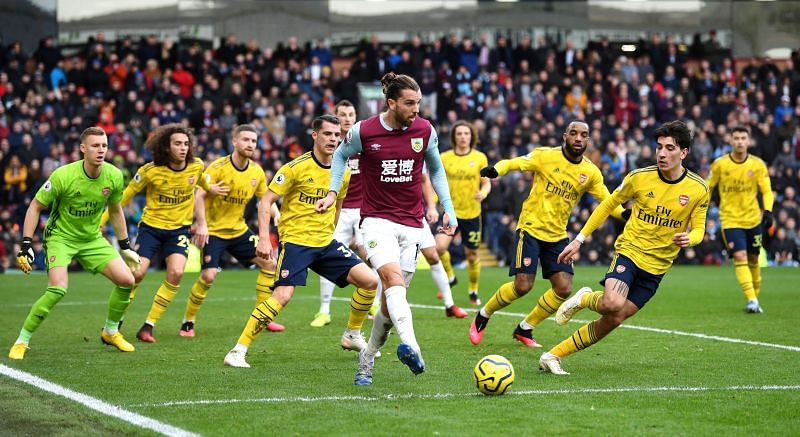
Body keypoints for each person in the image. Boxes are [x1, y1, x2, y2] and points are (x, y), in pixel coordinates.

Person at [317, 72, 458, 385]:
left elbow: (436, 169)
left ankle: (366, 359)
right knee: (392, 280)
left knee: (388, 306)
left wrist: (448, 207)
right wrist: (331, 191)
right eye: (409, 103)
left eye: (418, 103)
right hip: (377, 221)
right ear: (391, 102)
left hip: (412, 223)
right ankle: (413, 347)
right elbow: (339, 156)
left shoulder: (425, 130)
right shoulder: (364, 131)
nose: (416, 109)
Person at [542, 120, 709, 375]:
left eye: (669, 148)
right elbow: (607, 205)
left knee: (614, 318)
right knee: (611, 303)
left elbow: (698, 229)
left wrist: (691, 239)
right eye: (659, 147)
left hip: (657, 267)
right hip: (630, 251)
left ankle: (552, 356)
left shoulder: (698, 189)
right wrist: (580, 239)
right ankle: (585, 298)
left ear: (684, 152)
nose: (662, 154)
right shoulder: (639, 178)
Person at [223, 115, 378, 368]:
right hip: (296, 242)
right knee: (282, 296)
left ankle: (351, 334)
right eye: (327, 134)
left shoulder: (344, 171)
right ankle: (238, 350)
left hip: (325, 242)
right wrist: (264, 239)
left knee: (369, 281)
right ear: (315, 135)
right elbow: (265, 201)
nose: (333, 139)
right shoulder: (295, 167)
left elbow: (337, 205)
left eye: (336, 135)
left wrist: (333, 233)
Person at [469, 120, 624, 348]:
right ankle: (484, 315)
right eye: (574, 133)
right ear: (565, 136)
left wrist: (624, 214)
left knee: (564, 288)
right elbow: (514, 163)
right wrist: (496, 170)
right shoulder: (545, 156)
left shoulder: (590, 172)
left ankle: (525, 328)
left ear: (588, 140)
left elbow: (608, 199)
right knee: (522, 286)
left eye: (584, 134)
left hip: (558, 235)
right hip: (531, 228)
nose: (578, 138)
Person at [9, 127, 141, 359]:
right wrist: (27, 243)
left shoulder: (114, 175)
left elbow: (116, 210)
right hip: (61, 237)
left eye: (104, 146)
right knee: (58, 288)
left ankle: (110, 332)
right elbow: (35, 206)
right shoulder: (63, 176)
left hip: (91, 238)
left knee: (127, 280)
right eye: (95, 146)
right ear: (82, 148)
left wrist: (126, 245)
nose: (101, 150)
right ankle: (22, 340)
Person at [101, 124, 216, 343]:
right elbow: (123, 198)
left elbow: (203, 184)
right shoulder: (149, 171)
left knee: (176, 273)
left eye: (186, 143)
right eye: (177, 144)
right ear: (165, 147)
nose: (183, 148)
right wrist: (101, 222)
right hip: (151, 229)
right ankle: (116, 322)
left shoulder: (197, 166)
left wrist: (211, 191)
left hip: (178, 230)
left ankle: (148, 326)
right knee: (137, 274)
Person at [182, 124, 284, 337]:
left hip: (239, 231)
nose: (250, 144)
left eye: (254, 141)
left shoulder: (256, 171)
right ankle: (188, 322)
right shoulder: (218, 167)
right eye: (245, 140)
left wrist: (277, 214)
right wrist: (202, 224)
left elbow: (266, 199)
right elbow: (198, 195)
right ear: (234, 141)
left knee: (270, 264)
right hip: (215, 231)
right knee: (208, 276)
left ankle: (262, 318)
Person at [706, 126, 773, 313]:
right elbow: (707, 188)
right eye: (736, 138)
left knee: (753, 259)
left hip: (753, 219)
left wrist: (767, 210)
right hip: (730, 220)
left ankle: (754, 297)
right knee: (740, 256)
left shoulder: (757, 164)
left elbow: (766, 190)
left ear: (749, 141)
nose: (740, 141)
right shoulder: (720, 164)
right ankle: (752, 300)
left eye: (743, 138)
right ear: (730, 140)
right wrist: (700, 208)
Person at [434, 120, 491, 306]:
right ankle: (450, 277)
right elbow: (437, 181)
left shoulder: (480, 158)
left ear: (471, 136)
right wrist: (433, 202)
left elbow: (486, 182)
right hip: (450, 212)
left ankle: (473, 291)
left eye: (466, 133)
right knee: (439, 247)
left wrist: (483, 193)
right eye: (459, 134)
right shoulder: (445, 158)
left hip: (472, 214)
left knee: (472, 255)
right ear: (454, 137)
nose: (463, 137)